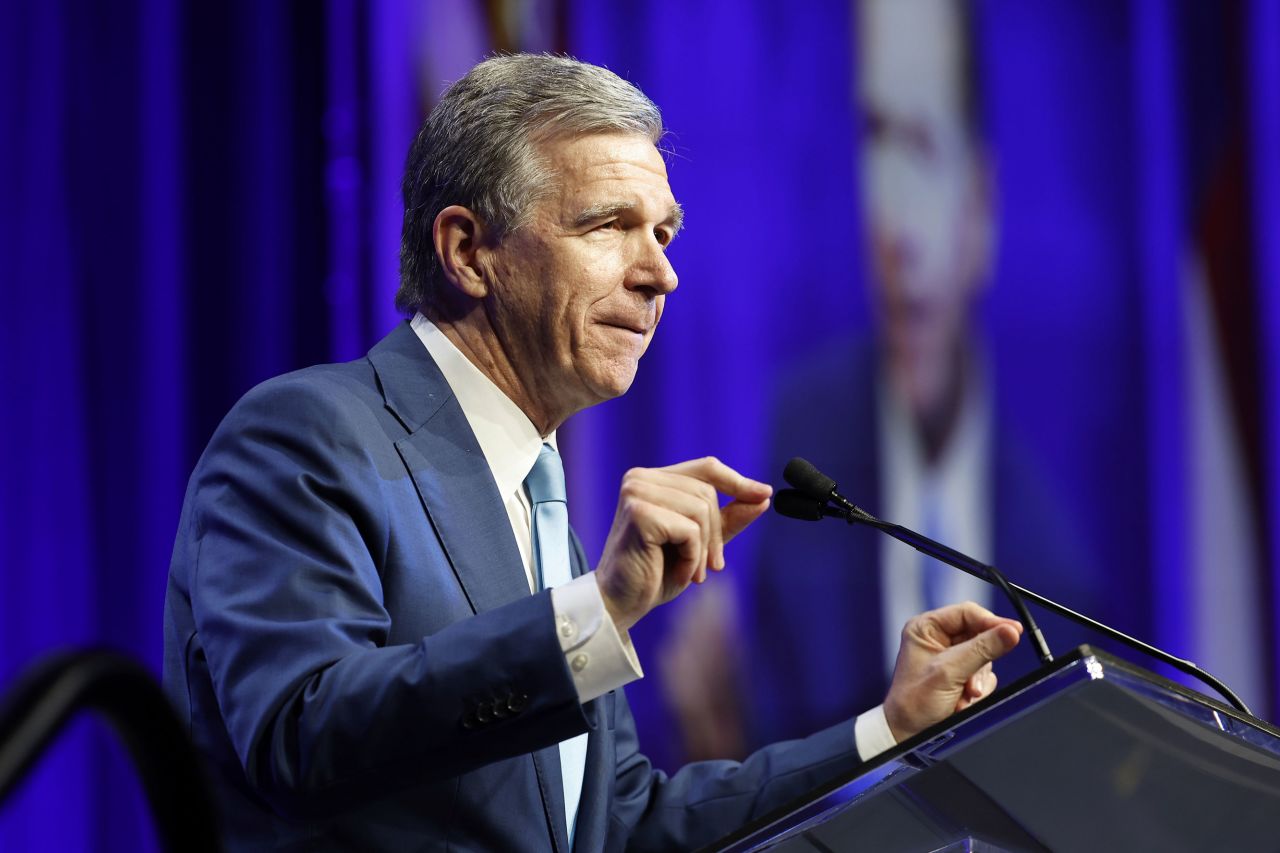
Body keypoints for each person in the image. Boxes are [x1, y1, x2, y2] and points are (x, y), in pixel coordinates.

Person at [163, 53, 1024, 851]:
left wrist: (888, 732)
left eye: (665, 233)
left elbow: (617, 827)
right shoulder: (308, 434)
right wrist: (597, 613)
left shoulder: (536, 498)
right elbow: (300, 735)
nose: (660, 274)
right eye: (611, 225)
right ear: (469, 251)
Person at [663, 0, 1102, 760]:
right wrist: (720, 748)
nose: (895, 224)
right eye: (874, 141)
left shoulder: (1071, 507)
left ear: (981, 204)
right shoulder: (801, 443)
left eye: (923, 145)